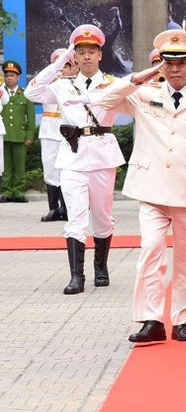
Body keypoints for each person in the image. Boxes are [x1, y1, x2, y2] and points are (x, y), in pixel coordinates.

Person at [89, 28, 186, 343]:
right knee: (151, 251)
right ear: (161, 64)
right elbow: (99, 99)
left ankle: (183, 319)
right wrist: (140, 77)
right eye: (169, 62)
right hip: (151, 188)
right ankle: (151, 319)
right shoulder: (144, 92)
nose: (175, 69)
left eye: (181, 62)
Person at [25, 25, 125, 294]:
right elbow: (31, 93)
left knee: (103, 218)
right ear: (75, 56)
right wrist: (58, 63)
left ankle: (101, 266)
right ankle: (76, 276)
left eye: (92, 51)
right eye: (81, 52)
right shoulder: (62, 86)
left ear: (100, 55)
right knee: (76, 218)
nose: (87, 56)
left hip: (103, 157)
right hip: (72, 158)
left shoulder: (113, 85)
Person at [39, 49, 75, 222]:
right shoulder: (46, 83)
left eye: (66, 66)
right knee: (50, 168)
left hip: (68, 130)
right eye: (58, 66)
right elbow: (33, 92)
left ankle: (67, 207)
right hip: (49, 130)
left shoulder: (75, 84)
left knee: (67, 169)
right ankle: (53, 208)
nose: (62, 71)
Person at [1, 61, 35, 203]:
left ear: (18, 77)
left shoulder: (25, 94)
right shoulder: (1, 93)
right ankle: (7, 192)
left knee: (20, 166)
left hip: (20, 136)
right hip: (4, 135)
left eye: (12, 75)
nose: (9, 78)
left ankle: (19, 192)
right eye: (7, 75)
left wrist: (29, 136)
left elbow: (31, 118)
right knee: (6, 166)